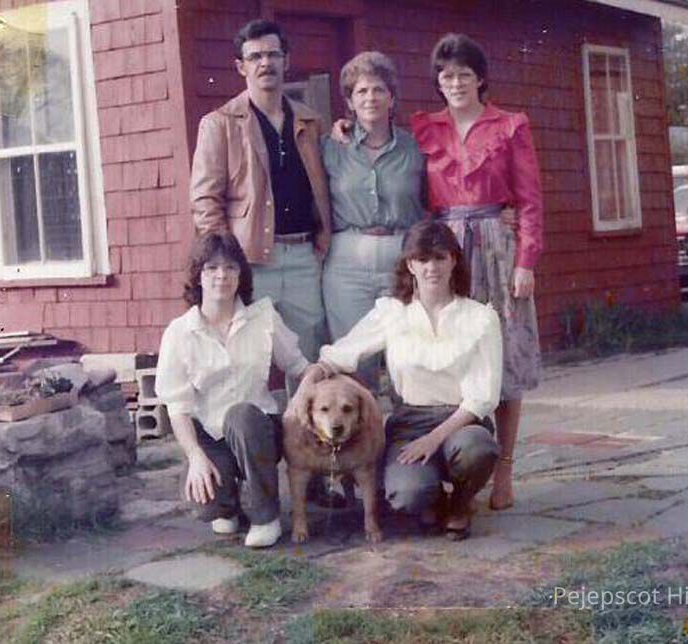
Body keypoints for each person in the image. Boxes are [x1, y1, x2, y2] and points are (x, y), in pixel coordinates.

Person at [292, 220, 502, 540]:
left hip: (462, 421)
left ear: (454, 260)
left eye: (440, 257)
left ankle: (461, 504)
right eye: (422, 259)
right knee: (406, 495)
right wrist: (309, 380)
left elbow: (483, 398)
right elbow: (341, 353)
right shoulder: (393, 312)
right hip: (410, 422)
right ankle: (433, 499)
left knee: (477, 448)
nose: (431, 268)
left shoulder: (479, 317)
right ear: (410, 264)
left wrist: (433, 440)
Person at [409, 33, 544, 511]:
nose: (456, 83)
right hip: (447, 251)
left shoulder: (509, 125)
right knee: (453, 357)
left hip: (497, 249)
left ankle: (504, 470)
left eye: (465, 74)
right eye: (447, 75)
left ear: (481, 78)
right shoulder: (425, 129)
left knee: (503, 359)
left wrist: (525, 261)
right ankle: (460, 469)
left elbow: (529, 200)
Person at [156, 232, 312, 548]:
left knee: (241, 415)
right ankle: (228, 505)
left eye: (230, 267)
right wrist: (195, 457)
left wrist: (303, 396)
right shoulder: (180, 332)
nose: (221, 276)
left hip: (258, 430)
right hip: (210, 434)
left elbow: (300, 366)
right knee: (206, 505)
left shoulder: (263, 317)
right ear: (198, 275)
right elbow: (178, 408)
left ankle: (266, 517)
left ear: (241, 275)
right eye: (211, 268)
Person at [191, 19, 331, 365]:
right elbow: (205, 200)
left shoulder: (311, 122)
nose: (265, 63)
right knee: (246, 356)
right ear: (241, 66)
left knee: (307, 356)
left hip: (303, 256)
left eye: (273, 55)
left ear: (286, 61)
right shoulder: (220, 123)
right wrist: (226, 259)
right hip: (250, 259)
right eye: (255, 57)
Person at [321, 51, 426, 388]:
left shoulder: (414, 148)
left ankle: (410, 422)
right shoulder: (330, 148)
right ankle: (360, 424)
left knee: (406, 357)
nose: (370, 97)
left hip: (402, 257)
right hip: (347, 264)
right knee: (354, 358)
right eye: (361, 91)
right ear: (349, 102)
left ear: (392, 98)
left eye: (379, 89)